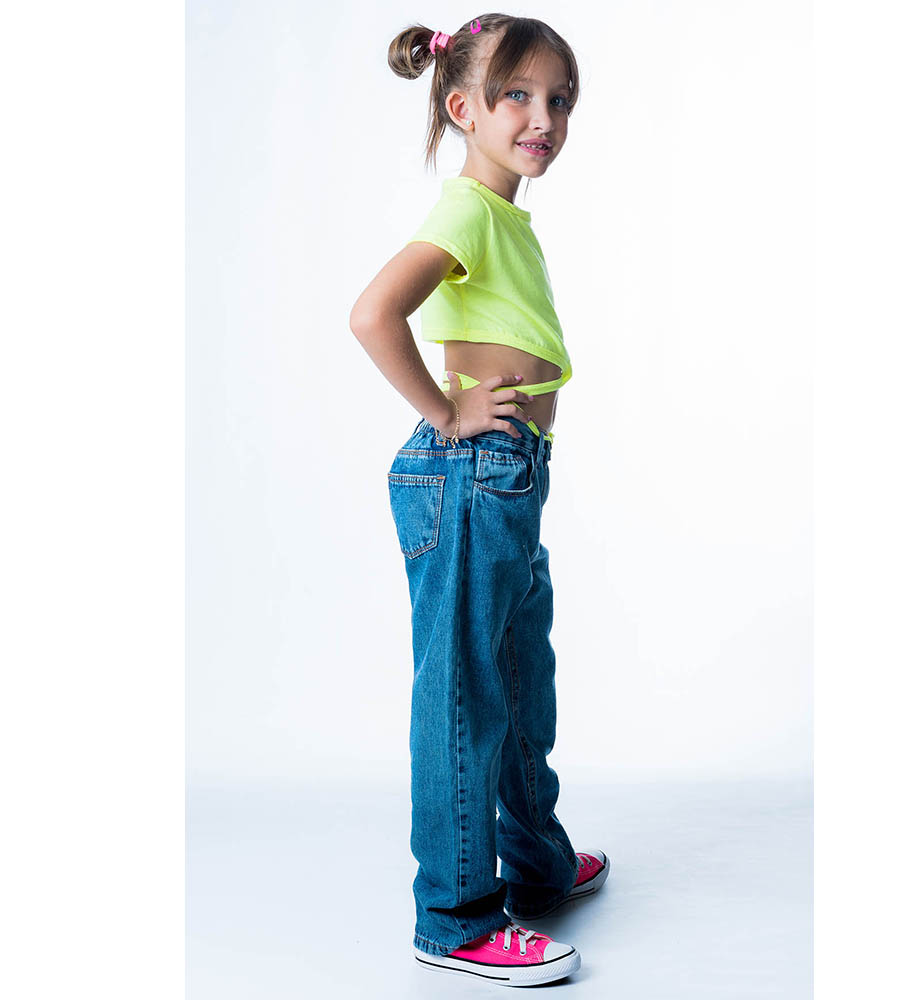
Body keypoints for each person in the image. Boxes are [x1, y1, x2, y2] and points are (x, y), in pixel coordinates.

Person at [350, 14, 610, 988]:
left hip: (509, 481)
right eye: (518, 97)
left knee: (520, 680)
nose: (544, 118)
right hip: (468, 476)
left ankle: (535, 862)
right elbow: (373, 313)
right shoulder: (466, 209)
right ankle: (455, 918)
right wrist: (446, 411)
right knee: (465, 692)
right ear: (462, 107)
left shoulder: (504, 218)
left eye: (560, 100)